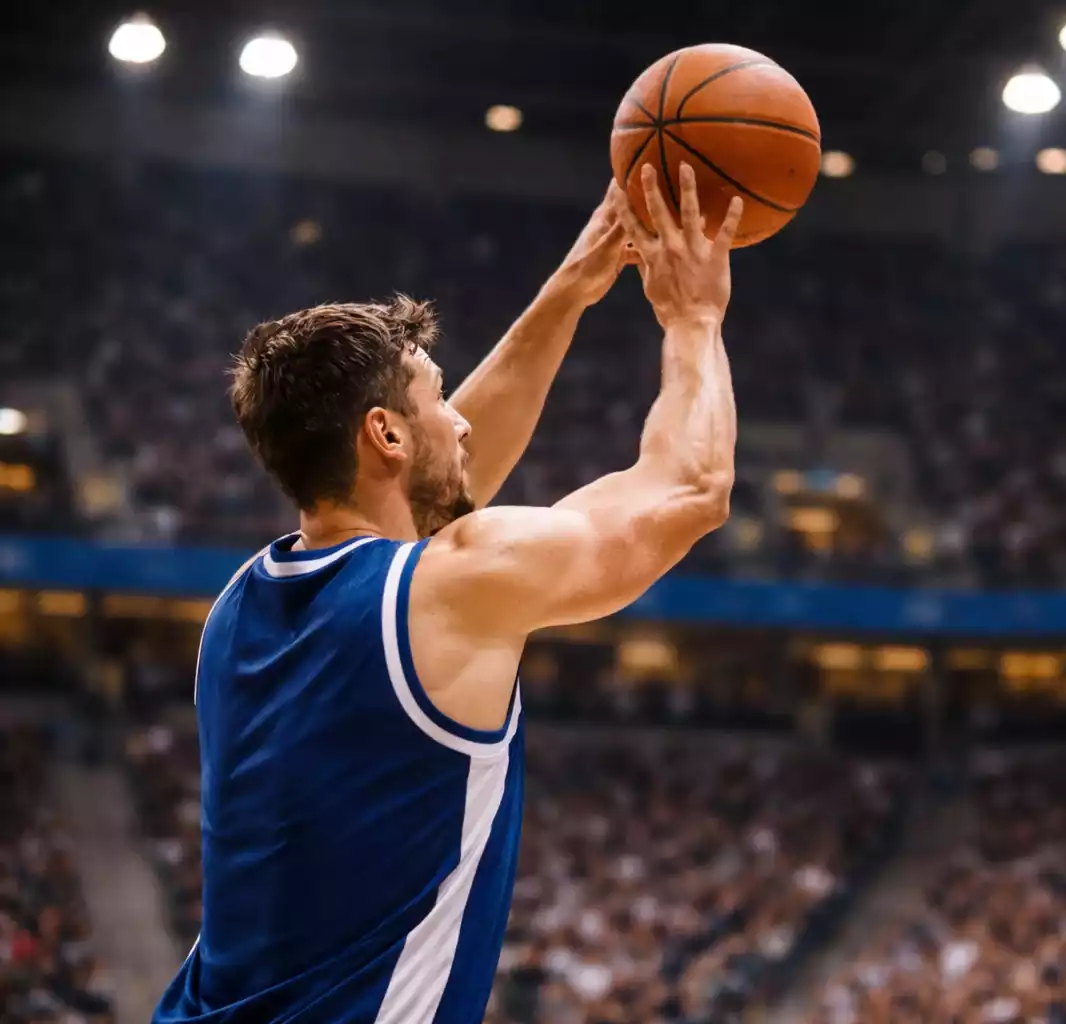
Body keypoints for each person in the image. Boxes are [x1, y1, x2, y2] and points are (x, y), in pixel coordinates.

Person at [152, 163, 744, 1024]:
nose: (461, 418)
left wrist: (572, 289)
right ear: (386, 434)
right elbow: (691, 490)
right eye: (438, 399)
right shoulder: (450, 586)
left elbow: (434, 490)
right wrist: (695, 317)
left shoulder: (240, 606)